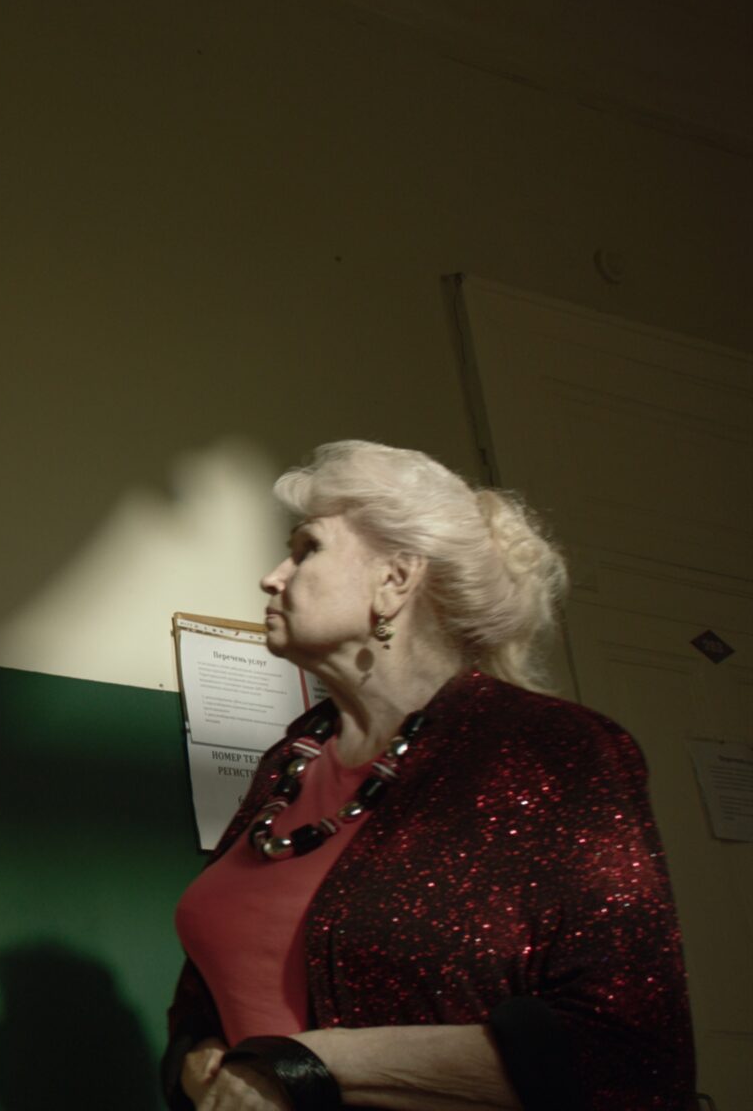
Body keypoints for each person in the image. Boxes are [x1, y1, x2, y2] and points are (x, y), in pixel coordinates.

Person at [163, 441, 694, 1111]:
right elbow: (203, 1000)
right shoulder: (289, 760)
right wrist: (200, 1060)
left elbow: (627, 1052)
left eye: (306, 549)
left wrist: (304, 1068)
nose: (272, 578)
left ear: (395, 579)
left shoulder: (555, 749)